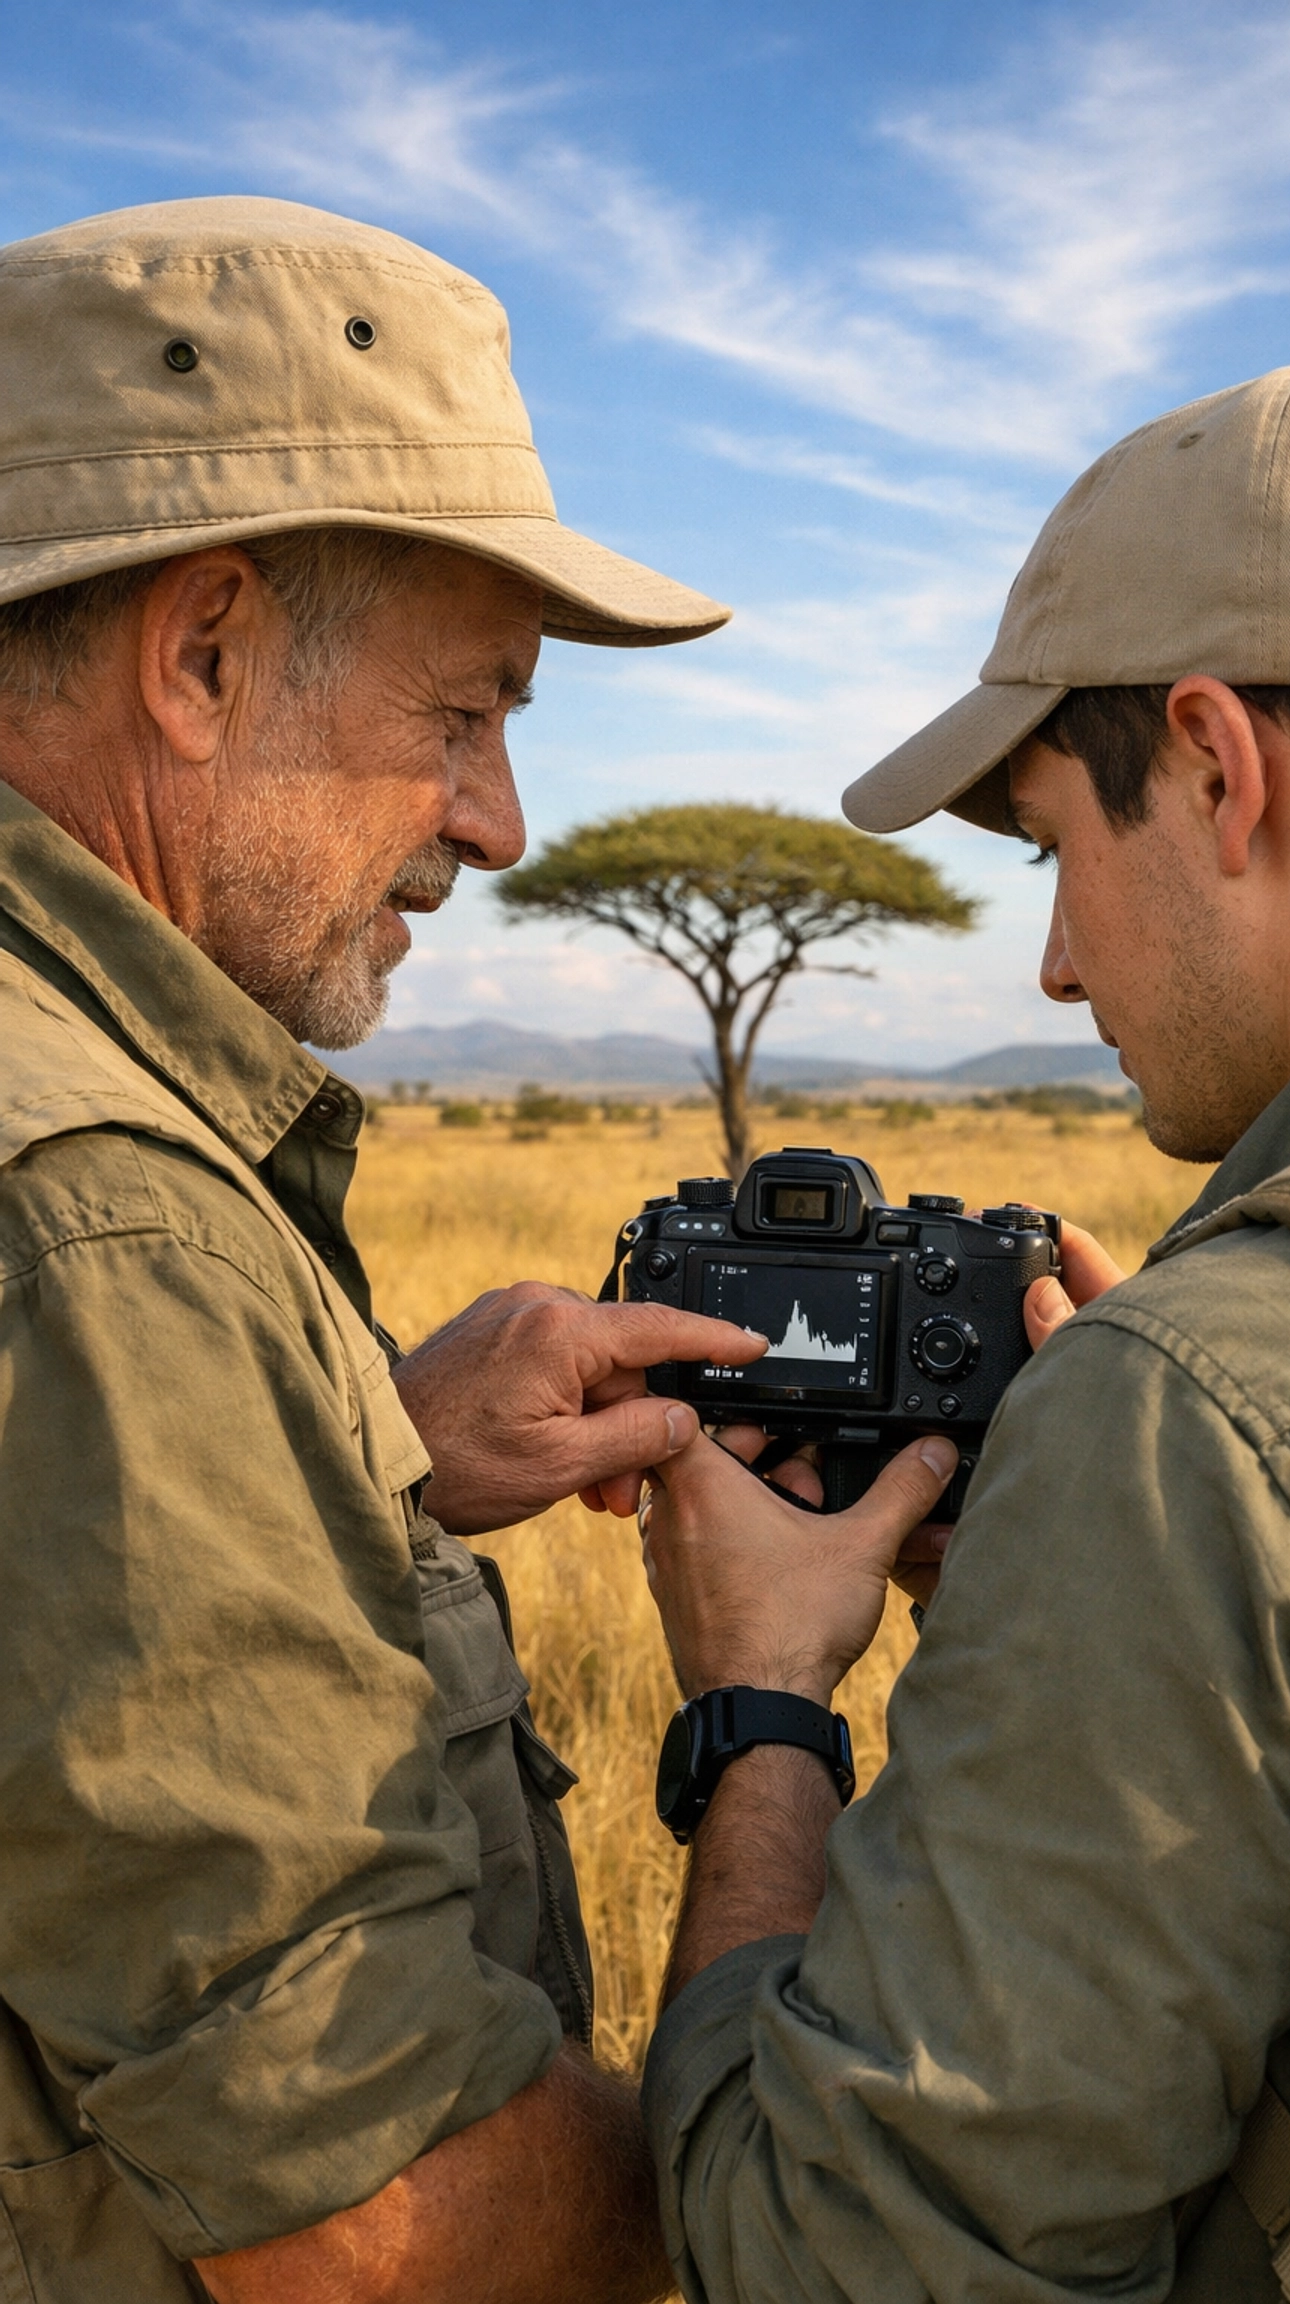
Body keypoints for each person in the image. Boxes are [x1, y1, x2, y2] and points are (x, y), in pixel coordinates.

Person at [636, 351, 1290, 2302]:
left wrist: (768, 1713)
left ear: (1218, 764)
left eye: (1053, 846)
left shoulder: (1202, 1411)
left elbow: (829, 2261)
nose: (1054, 961)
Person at [0, 195, 771, 2304]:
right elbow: (384, 2243)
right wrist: (771, 1738)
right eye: (467, 713)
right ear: (203, 653)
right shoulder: (100, 1221)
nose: (501, 821)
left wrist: (359, 1461)